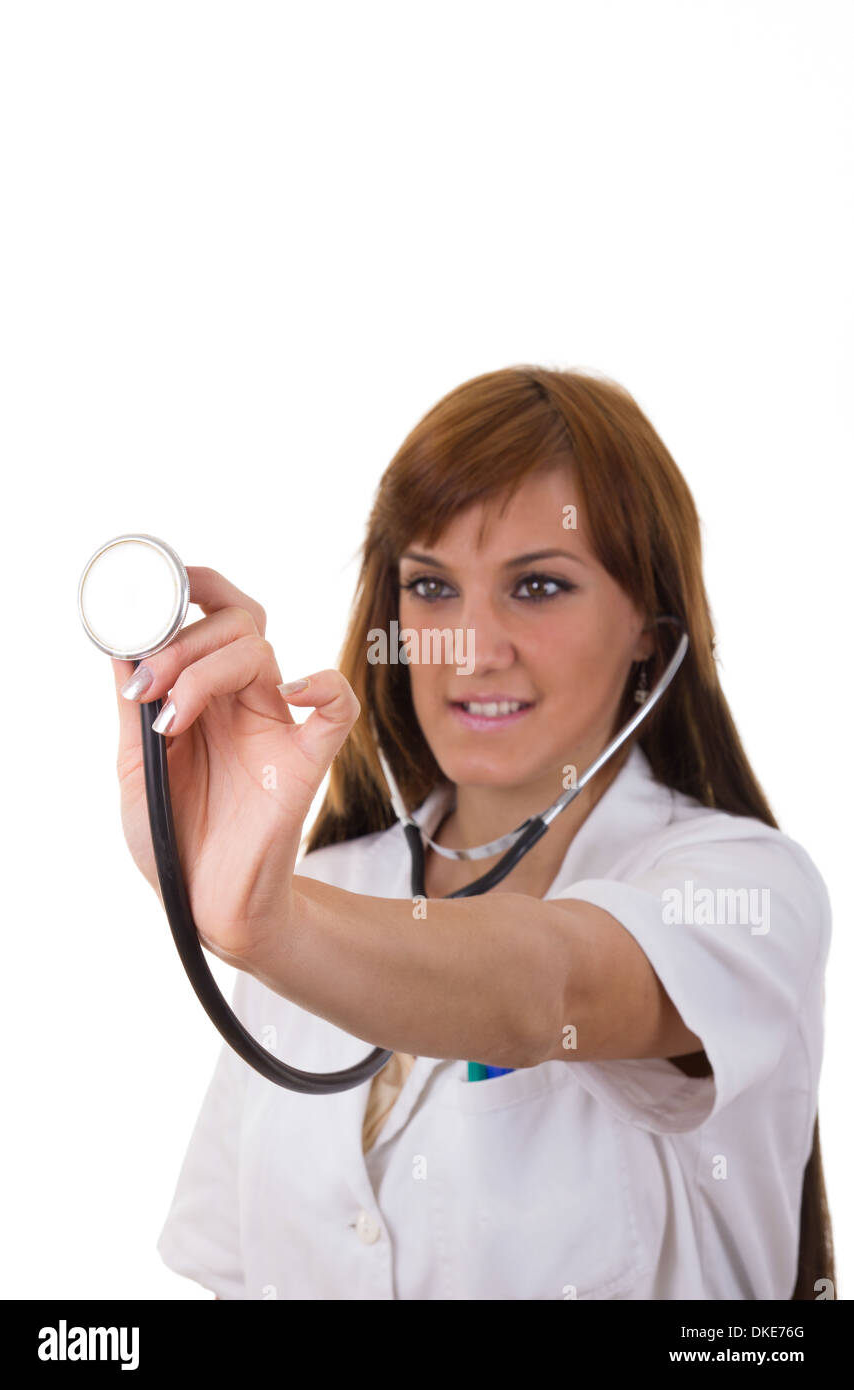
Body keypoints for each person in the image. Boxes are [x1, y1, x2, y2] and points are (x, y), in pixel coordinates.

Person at [112, 366, 834, 1300]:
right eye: (432, 587)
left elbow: (548, 987)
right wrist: (248, 896)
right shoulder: (328, 883)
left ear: (651, 632)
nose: (472, 647)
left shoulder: (745, 890)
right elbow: (238, 1275)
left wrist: (266, 926)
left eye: (537, 585)